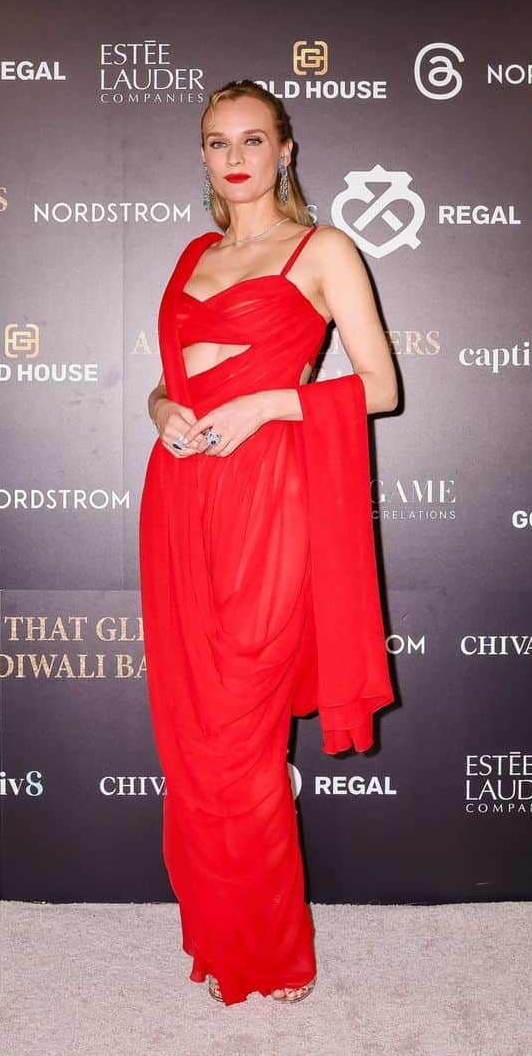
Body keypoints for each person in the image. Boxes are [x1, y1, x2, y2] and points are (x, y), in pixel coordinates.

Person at [138, 78, 397, 1007]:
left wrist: (264, 402)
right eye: (218, 142)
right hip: (180, 493)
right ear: (203, 155)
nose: (236, 156)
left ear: (287, 149)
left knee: (242, 726)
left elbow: (377, 386)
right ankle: (218, 929)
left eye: (254, 139)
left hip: (271, 496)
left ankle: (274, 950)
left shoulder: (324, 249)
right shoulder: (192, 253)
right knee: (195, 730)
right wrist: (165, 407)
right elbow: (166, 380)